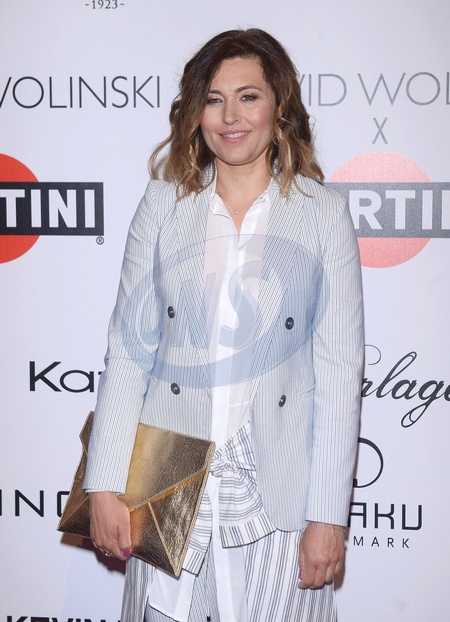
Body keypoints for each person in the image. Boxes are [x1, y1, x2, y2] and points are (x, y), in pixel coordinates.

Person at [84, 28, 364, 622]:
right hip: (168, 481)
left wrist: (328, 517)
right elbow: (127, 352)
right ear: (196, 112)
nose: (230, 116)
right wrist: (103, 484)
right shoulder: (163, 206)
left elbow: (340, 373)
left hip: (277, 491)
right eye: (214, 100)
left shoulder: (323, 213)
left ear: (279, 106)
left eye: (248, 97)